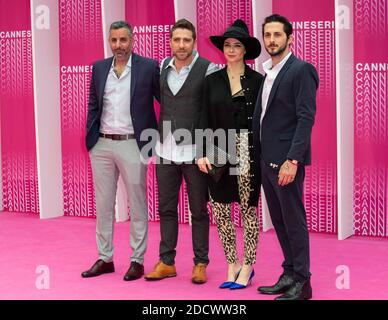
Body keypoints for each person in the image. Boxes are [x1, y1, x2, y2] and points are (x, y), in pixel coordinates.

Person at [82, 21, 160, 281]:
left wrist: (156, 140)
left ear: (132, 40)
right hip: (102, 145)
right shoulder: (99, 67)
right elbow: (94, 104)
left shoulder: (148, 67)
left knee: (137, 204)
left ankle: (137, 260)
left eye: (123, 40)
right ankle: (105, 258)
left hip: (132, 144)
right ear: (109, 41)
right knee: (103, 205)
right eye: (114, 40)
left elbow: (166, 102)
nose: (119, 46)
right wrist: (91, 138)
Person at [144, 19, 218, 284]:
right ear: (171, 41)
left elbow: (212, 111)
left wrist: (205, 150)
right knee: (166, 208)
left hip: (194, 154)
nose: (182, 45)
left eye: (187, 40)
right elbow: (160, 100)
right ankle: (166, 261)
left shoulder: (208, 69)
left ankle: (200, 263)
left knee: (198, 210)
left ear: (194, 42)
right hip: (165, 151)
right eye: (177, 40)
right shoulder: (162, 66)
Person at [253, 14, 319, 300]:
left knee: (293, 220)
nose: (271, 40)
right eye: (267, 35)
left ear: (289, 38)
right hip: (267, 159)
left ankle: (303, 282)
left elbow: (306, 118)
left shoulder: (301, 70)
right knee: (279, 220)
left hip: (285, 161)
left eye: (277, 35)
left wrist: (293, 159)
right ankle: (289, 272)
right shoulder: (268, 72)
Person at [197, 19, 263, 290]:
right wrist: (203, 153)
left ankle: (248, 265)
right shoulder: (211, 81)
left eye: (237, 45)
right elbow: (203, 118)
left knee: (248, 210)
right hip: (218, 147)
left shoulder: (259, 81)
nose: (232, 49)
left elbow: (263, 120)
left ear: (245, 50)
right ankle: (231, 263)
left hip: (248, 149)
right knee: (221, 210)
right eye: (227, 45)